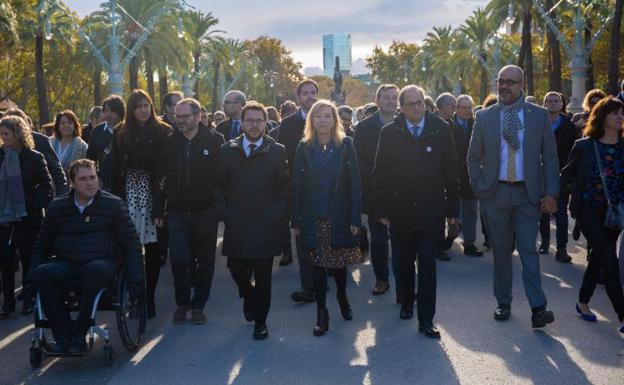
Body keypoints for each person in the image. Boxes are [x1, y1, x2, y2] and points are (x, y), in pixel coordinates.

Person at [467, 65, 559, 328]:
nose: (504, 86)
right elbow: (473, 156)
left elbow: (550, 158)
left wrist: (551, 192)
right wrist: (480, 187)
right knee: (502, 252)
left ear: (521, 85)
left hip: (527, 194)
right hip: (495, 194)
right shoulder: (485, 117)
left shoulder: (538, 116)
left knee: (529, 250)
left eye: (510, 82)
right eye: (500, 81)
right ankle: (503, 301)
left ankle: (538, 307)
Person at [31, 159, 144, 353]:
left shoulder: (113, 205)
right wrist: (29, 280)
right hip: (67, 263)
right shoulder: (57, 207)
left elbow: (132, 245)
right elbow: (41, 245)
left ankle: (79, 333)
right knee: (43, 273)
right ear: (72, 183)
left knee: (95, 269)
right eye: (83, 179)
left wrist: (136, 280)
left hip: (102, 263)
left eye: (93, 177)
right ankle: (63, 335)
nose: (90, 182)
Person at [374, 85, 459, 339]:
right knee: (402, 262)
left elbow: (451, 172)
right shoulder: (389, 132)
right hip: (400, 211)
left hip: (430, 211)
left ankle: (426, 319)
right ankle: (407, 301)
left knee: (428, 266)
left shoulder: (441, 129)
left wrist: (452, 210)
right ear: (401, 107)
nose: (417, 107)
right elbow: (380, 174)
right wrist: (381, 207)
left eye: (420, 102)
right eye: (410, 103)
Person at [215, 101, 289, 340]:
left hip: (266, 224)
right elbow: (219, 186)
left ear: (265, 123)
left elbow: (284, 187)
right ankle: (248, 294)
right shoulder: (227, 150)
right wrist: (225, 213)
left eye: (259, 120)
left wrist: (276, 213)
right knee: (235, 268)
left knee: (264, 274)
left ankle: (261, 322)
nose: (254, 125)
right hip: (236, 222)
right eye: (250, 120)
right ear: (242, 122)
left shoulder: (277, 150)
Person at [292, 99, 363, 336]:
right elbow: (297, 186)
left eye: (327, 116)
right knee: (318, 266)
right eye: (318, 116)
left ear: (335, 120)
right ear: (311, 120)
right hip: (313, 216)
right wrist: (296, 220)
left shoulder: (346, 145)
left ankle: (342, 296)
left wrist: (355, 218)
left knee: (338, 265)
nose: (322, 120)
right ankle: (322, 313)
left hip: (340, 215)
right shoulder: (304, 147)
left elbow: (355, 184)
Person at [153, 98, 225, 325]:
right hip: (177, 212)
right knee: (179, 258)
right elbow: (160, 178)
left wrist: (220, 206)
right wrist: (158, 209)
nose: (180, 120)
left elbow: (223, 178)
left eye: (184, 116)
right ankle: (182, 302)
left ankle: (198, 305)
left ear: (197, 116)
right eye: (177, 116)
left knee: (205, 260)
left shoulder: (215, 141)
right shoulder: (169, 142)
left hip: (206, 212)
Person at [560, 96, 624, 334]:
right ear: (601, 116)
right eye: (614, 113)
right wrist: (553, 198)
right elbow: (566, 176)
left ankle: (583, 302)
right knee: (609, 258)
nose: (619, 117)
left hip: (616, 213)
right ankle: (622, 313)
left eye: (621, 113)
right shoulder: (585, 146)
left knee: (598, 259)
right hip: (589, 211)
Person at [111, 89, 172, 319]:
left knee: (154, 248)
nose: (143, 110)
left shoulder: (164, 131)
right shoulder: (120, 132)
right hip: (129, 192)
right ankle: (136, 293)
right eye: (137, 106)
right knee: (131, 246)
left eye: (146, 105)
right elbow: (116, 169)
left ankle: (149, 296)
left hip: (155, 192)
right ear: (130, 109)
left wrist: (161, 203)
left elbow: (166, 168)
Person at [0, 116, 53, 318]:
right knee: (5, 261)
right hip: (4, 218)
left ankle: (30, 298)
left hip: (28, 217)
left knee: (29, 259)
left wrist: (32, 206)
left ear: (18, 134)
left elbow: (46, 186)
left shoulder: (34, 157)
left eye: (7, 133)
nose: (3, 138)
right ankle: (8, 303)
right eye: (1, 134)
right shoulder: (0, 156)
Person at [353, 84, 399, 297]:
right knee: (379, 239)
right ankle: (382, 279)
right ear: (378, 101)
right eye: (386, 97)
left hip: (403, 192)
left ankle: (405, 282)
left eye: (394, 97)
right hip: (375, 192)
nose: (391, 101)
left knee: (403, 240)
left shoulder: (405, 123)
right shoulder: (364, 127)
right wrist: (374, 178)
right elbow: (357, 159)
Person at [276, 79, 319, 303]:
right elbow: (283, 156)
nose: (310, 96)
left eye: (313, 92)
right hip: (298, 188)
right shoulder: (288, 123)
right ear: (299, 97)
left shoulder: (327, 117)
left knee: (325, 234)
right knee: (302, 237)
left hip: (326, 187)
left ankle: (324, 278)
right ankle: (308, 286)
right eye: (305, 93)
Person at [538, 92, 578, 262]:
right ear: (544, 104)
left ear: (562, 104)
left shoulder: (569, 125)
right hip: (540, 173)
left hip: (562, 174)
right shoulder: (537, 123)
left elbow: (574, 152)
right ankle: (545, 241)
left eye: (556, 101)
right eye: (549, 101)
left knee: (561, 212)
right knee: (543, 211)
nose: (553, 103)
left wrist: (569, 175)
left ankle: (561, 248)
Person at [3, 109, 68, 196]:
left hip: (32, 202)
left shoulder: (40, 141)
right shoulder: (3, 145)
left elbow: (56, 171)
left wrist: (60, 198)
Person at [453, 94, 484, 257]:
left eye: (469, 107)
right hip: (452, 174)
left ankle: (469, 243)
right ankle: (449, 236)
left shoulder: (478, 124)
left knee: (471, 209)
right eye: (463, 107)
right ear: (456, 109)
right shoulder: (448, 125)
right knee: (452, 209)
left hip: (472, 174)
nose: (466, 110)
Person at [435, 92, 459, 261]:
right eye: (453, 105)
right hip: (434, 175)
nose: (455, 109)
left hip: (449, 174)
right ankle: (437, 248)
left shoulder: (451, 123)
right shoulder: (432, 124)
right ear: (442, 106)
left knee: (448, 211)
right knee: (436, 216)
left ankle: (443, 244)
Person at [86, 95, 125, 191]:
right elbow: (90, 158)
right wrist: (96, 177)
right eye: (106, 110)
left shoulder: (128, 130)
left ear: (120, 111)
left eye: (112, 111)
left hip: (125, 184)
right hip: (103, 183)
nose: (108, 114)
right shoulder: (97, 131)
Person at [50, 110, 89, 175]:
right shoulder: (49, 143)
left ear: (75, 126)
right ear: (58, 127)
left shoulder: (83, 146)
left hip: (73, 183)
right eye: (62, 123)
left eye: (70, 123)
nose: (66, 125)